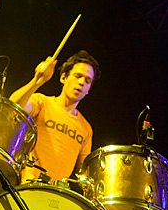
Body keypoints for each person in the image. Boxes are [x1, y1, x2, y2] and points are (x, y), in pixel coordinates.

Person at [9, 50, 101, 184]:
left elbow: (84, 170)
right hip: (27, 186)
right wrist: (37, 81)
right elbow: (12, 107)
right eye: (78, 76)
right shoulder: (42, 103)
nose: (82, 82)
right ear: (63, 78)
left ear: (88, 90)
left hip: (57, 193)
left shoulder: (86, 128)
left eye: (87, 81)